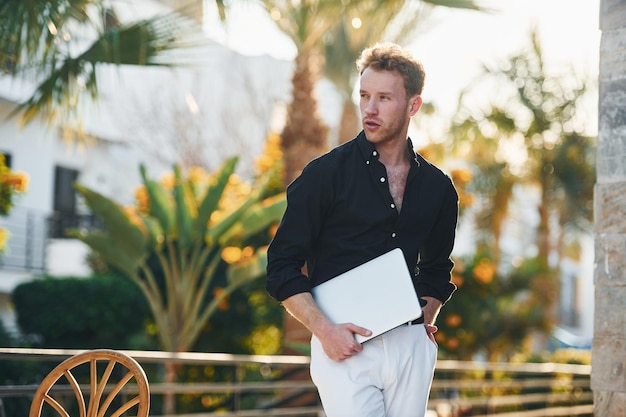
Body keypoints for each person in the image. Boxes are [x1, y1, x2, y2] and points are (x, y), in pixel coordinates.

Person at [266, 42, 459, 417]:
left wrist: (425, 322)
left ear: (413, 105)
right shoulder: (324, 176)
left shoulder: (438, 188)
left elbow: (437, 269)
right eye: (365, 95)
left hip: (410, 347)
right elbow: (282, 269)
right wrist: (325, 331)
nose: (369, 109)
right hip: (344, 346)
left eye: (384, 98)